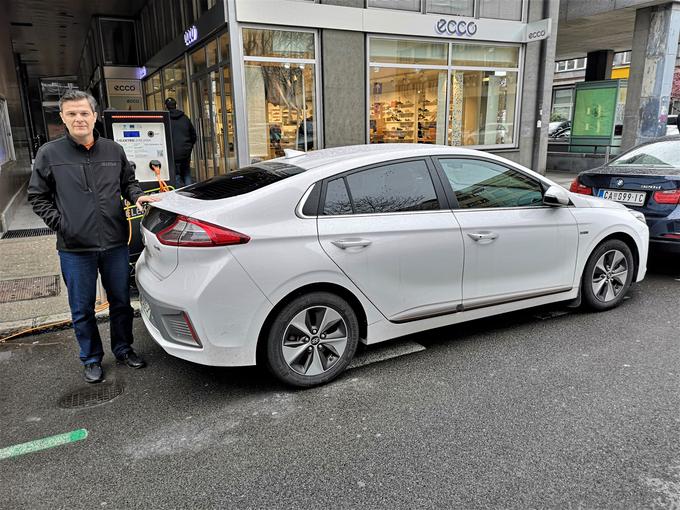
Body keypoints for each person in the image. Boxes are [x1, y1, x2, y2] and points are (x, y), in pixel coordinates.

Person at [28, 90, 161, 383]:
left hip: (114, 242)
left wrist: (137, 197)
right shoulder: (50, 153)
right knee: (82, 308)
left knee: (122, 302)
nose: (79, 119)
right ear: (62, 117)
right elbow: (37, 197)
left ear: (95, 116)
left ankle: (124, 349)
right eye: (72, 114)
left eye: (84, 113)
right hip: (74, 248)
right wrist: (63, 224)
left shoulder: (113, 150)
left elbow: (129, 182)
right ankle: (91, 358)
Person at [165, 97, 197, 188]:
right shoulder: (185, 118)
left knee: (176, 175)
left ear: (166, 107)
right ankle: (191, 192)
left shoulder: (166, 119)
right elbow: (193, 135)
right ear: (176, 105)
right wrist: (189, 146)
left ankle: (182, 194)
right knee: (187, 173)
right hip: (185, 152)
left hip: (172, 153)